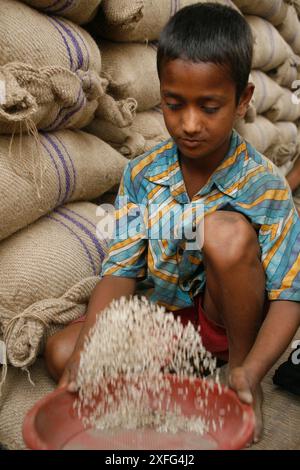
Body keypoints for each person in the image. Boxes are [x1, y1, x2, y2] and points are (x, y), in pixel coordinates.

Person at [45, 3, 300, 443]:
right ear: (160, 93)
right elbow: (120, 271)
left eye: (209, 106)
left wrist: (253, 370)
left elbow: (289, 296)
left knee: (224, 233)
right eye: (174, 104)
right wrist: (87, 352)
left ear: (243, 100)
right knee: (63, 351)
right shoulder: (142, 175)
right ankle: (179, 381)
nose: (189, 124)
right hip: (164, 323)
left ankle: (236, 378)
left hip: (224, 328)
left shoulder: (265, 186)